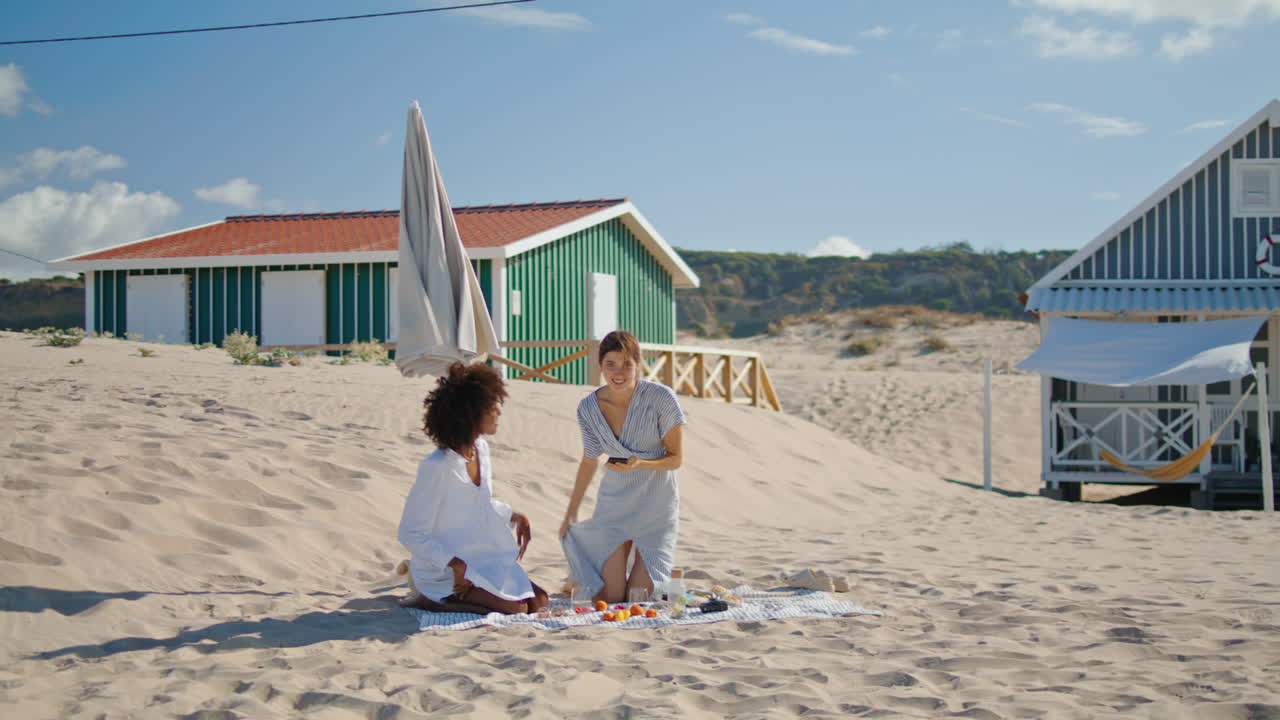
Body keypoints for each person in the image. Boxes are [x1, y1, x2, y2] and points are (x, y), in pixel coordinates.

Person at [397, 361, 548, 615]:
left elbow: (478, 504)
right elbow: (410, 533)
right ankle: (427, 597)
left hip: (480, 556)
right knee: (517, 609)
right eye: (491, 407)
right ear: (469, 413)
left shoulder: (481, 450)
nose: (498, 412)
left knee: (540, 601)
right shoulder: (437, 467)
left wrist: (514, 515)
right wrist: (455, 565)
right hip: (446, 569)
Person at [559, 330, 687, 604]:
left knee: (639, 598)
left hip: (656, 506)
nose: (618, 372)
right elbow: (589, 459)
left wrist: (642, 463)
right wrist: (571, 513)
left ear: (638, 364)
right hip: (614, 506)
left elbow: (676, 458)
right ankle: (578, 579)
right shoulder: (588, 408)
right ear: (600, 366)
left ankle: (667, 582)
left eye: (627, 364)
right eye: (610, 364)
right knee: (612, 597)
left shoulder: (661, 398)